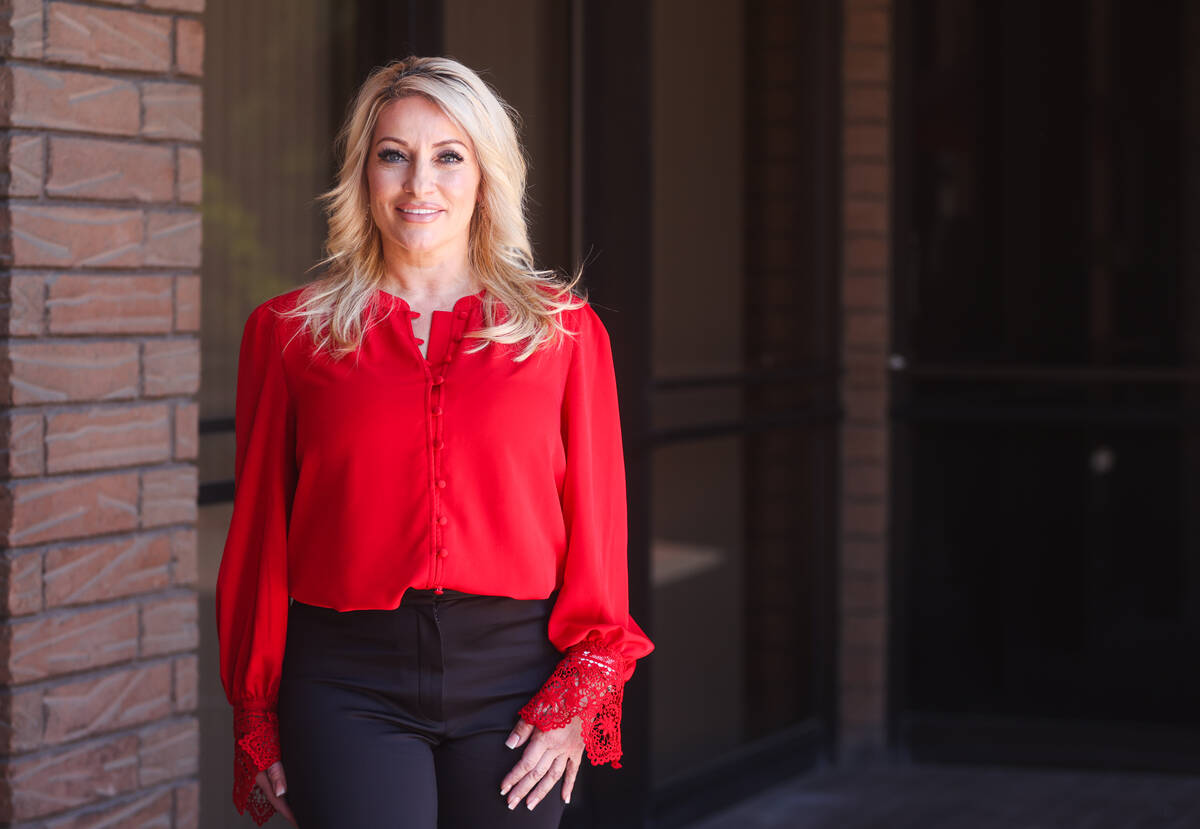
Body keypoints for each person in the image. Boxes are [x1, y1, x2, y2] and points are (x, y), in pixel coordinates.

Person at [215, 55, 654, 828]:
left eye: (449, 156)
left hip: (516, 681)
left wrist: (582, 685)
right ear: (363, 174)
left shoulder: (562, 334)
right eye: (394, 155)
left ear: (485, 176)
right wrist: (258, 706)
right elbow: (260, 536)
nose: (420, 184)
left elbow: (599, 523)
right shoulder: (290, 336)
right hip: (346, 684)